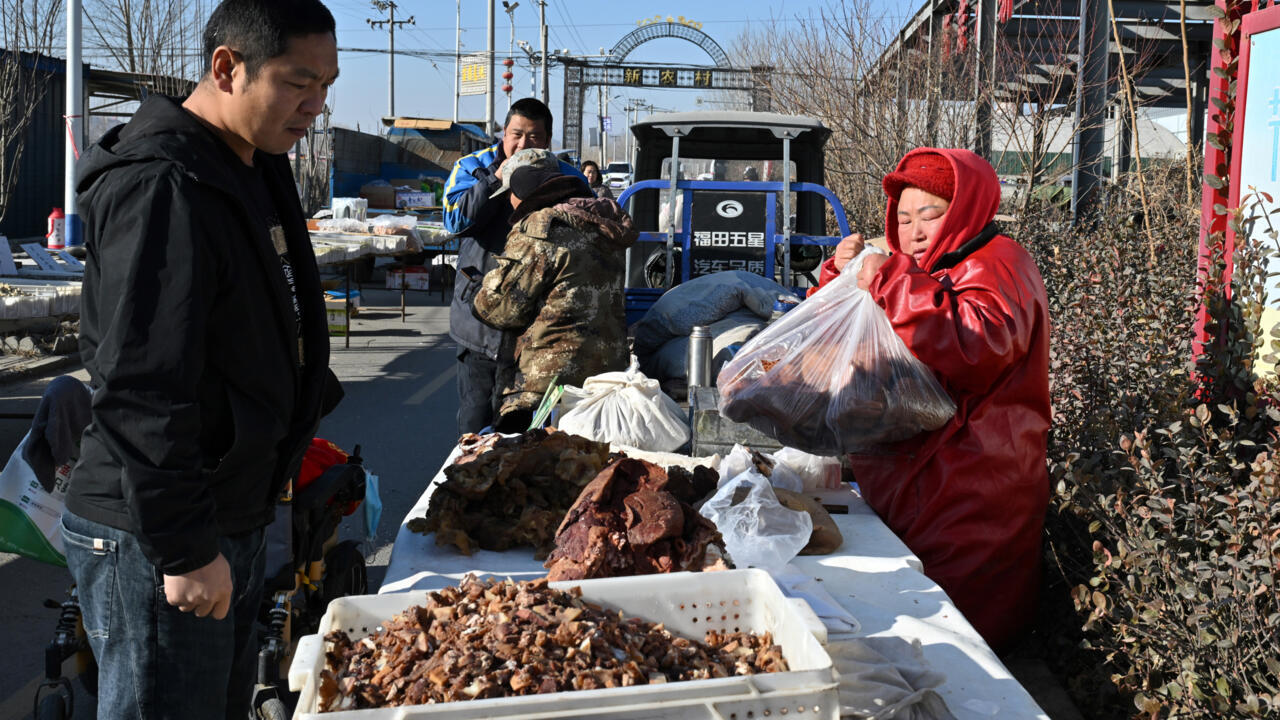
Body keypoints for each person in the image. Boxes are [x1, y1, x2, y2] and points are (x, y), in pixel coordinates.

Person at [61, 1, 343, 717]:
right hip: (160, 530)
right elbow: (140, 384)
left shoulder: (251, 161)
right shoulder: (166, 184)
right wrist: (184, 549)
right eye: (298, 83)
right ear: (227, 67)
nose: (316, 106)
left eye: (327, 86)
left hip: (231, 510)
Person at [819, 147, 1050, 651]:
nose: (913, 231)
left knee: (962, 640)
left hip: (974, 484)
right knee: (913, 623)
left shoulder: (1000, 263)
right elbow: (868, 331)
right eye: (902, 218)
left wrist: (889, 279)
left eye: (931, 214)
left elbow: (978, 345)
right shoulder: (932, 264)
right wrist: (843, 276)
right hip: (918, 474)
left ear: (966, 210)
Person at [443, 98, 586, 435]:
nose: (523, 145)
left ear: (548, 140)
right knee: (474, 429)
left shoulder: (570, 179)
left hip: (539, 332)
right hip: (478, 322)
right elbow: (455, 221)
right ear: (503, 134)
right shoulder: (471, 167)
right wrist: (496, 181)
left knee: (522, 433)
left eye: (534, 137)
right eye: (516, 135)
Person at [472, 149, 637, 432]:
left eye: (510, 195)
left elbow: (500, 310)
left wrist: (478, 287)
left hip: (545, 387)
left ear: (522, 191)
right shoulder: (599, 223)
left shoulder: (540, 228)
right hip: (604, 377)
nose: (509, 204)